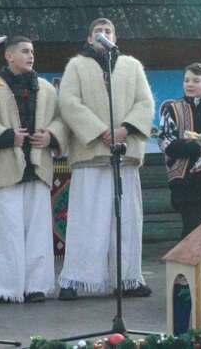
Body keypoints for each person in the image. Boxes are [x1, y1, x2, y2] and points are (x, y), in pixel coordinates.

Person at [57, 18, 154, 300]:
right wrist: (101, 132)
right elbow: (69, 102)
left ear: (115, 37)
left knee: (127, 220)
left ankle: (127, 279)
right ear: (89, 39)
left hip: (124, 154)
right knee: (87, 219)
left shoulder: (132, 66)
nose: (103, 35)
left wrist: (125, 129)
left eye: (108, 31)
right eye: (97, 32)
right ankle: (75, 279)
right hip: (92, 154)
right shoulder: (76, 65)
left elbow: (145, 102)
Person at [0, 36, 67, 304]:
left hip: (37, 168)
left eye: (32, 51)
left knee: (37, 231)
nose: (31, 55)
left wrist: (51, 137)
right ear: (8, 56)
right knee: (3, 229)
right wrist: (8, 136)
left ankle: (36, 285)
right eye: (24, 51)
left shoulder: (46, 88)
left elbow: (60, 120)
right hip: (4, 169)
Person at [158, 63, 201, 238]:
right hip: (186, 180)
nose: (189, 84)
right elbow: (165, 141)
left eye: (196, 81)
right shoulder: (173, 109)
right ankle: (190, 266)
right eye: (186, 80)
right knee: (192, 232)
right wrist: (195, 146)